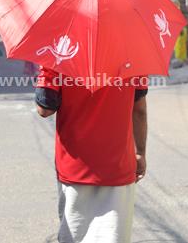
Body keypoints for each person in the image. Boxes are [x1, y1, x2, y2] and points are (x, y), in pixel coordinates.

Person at [35, 68, 148, 243]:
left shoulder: (60, 56)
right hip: (119, 166)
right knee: (113, 236)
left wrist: (46, 72)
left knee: (75, 236)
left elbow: (45, 109)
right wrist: (140, 152)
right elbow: (139, 109)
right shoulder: (132, 55)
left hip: (74, 168)